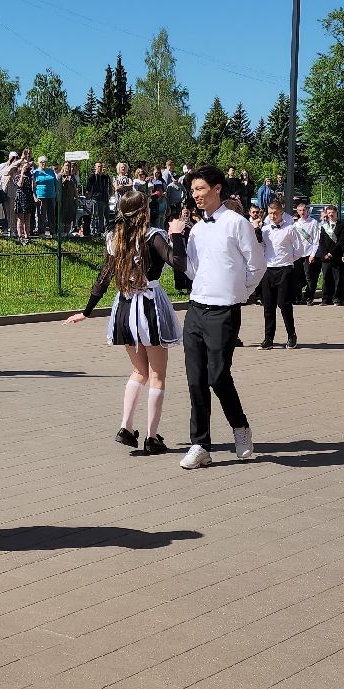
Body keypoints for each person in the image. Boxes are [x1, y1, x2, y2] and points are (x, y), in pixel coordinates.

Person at [65, 190, 179, 455]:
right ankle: (152, 437)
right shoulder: (154, 235)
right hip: (150, 307)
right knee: (158, 376)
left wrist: (87, 311)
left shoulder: (114, 238)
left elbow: (103, 276)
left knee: (139, 372)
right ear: (145, 209)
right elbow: (176, 262)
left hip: (125, 308)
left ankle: (126, 428)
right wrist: (177, 236)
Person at [166, 165, 263, 469]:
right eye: (192, 190)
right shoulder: (196, 228)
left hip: (224, 310)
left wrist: (239, 293)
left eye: (200, 189)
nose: (195, 195)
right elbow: (192, 270)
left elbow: (257, 266)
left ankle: (240, 426)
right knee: (195, 380)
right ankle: (200, 445)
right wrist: (178, 239)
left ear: (217, 188)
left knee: (217, 376)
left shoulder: (237, 223)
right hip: (196, 309)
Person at [257, 199, 305, 349]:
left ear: (281, 213)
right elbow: (260, 248)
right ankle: (268, 338)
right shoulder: (264, 230)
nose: (273, 216)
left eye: (275, 213)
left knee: (284, 304)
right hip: (268, 269)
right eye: (270, 213)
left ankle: (291, 335)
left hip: (284, 268)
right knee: (268, 306)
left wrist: (288, 261)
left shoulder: (290, 229)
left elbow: (299, 249)